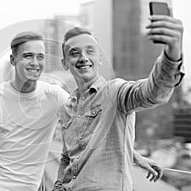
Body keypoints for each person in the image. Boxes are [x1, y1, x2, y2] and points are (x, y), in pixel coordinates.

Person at [0, 31, 165, 191]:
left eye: (40, 57)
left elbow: (93, 126)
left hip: (31, 187)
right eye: (28, 56)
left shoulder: (55, 96)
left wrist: (135, 157)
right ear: (13, 60)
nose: (35, 63)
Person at [53, 14, 184, 191]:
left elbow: (153, 93)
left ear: (99, 58)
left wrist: (172, 54)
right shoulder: (67, 108)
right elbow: (68, 156)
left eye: (90, 51)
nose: (83, 57)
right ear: (65, 63)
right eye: (74, 53)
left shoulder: (115, 92)